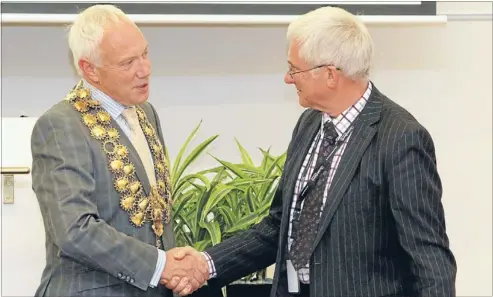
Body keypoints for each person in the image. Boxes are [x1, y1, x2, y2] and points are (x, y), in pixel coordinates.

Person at [169, 6, 457, 297]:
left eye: (295, 69)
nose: (287, 78)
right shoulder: (310, 123)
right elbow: (280, 227)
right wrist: (207, 263)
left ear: (330, 74)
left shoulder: (400, 138)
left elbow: (429, 260)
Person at [31, 4, 207, 297]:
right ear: (90, 69)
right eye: (128, 63)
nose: (145, 69)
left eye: (145, 54)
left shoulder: (145, 113)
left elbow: (156, 213)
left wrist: (178, 265)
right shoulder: (60, 126)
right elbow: (75, 230)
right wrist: (161, 265)